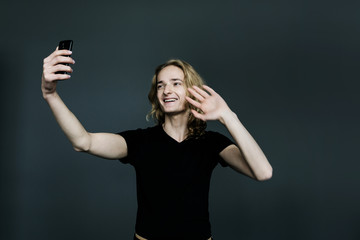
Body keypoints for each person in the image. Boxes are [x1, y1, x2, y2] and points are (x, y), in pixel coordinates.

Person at [42, 47, 273, 240]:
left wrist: (227, 116)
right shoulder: (141, 141)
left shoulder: (211, 143)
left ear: (192, 90)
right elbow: (83, 141)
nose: (167, 90)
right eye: (161, 85)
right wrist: (50, 94)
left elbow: (263, 172)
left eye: (176, 83)